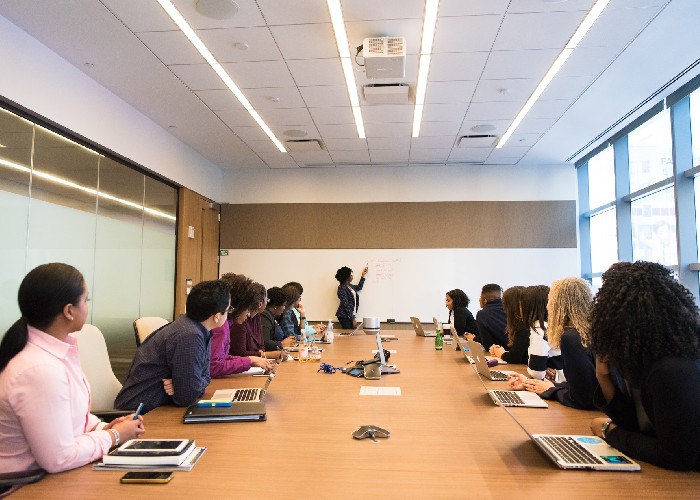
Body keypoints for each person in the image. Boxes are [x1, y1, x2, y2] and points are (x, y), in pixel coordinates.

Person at [0, 263, 145, 476]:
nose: (87, 306)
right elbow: (59, 458)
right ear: (69, 310)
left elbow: (72, 417)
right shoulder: (40, 369)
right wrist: (113, 436)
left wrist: (102, 427)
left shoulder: (56, 353)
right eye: (86, 300)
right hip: (26, 486)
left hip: (54, 476)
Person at [588, 261, 700, 471]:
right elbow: (638, 426)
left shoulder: (672, 369)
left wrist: (609, 431)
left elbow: (676, 457)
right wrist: (603, 377)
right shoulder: (645, 359)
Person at [114, 279, 230, 414]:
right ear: (216, 316)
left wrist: (184, 385)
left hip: (158, 407)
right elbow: (186, 397)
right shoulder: (189, 335)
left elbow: (205, 377)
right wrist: (187, 387)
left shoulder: (197, 329)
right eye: (228, 310)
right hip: (139, 415)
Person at [508, 278, 597, 410]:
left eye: (550, 301)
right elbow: (586, 387)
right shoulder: (590, 331)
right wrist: (534, 383)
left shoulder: (571, 337)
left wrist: (551, 390)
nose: (548, 306)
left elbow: (583, 399)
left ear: (559, 305)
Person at [210, 275, 275, 377]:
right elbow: (214, 366)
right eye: (247, 309)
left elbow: (222, 358)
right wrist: (249, 360)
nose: (248, 314)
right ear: (238, 307)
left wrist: (252, 359)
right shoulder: (221, 326)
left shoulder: (227, 323)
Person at [230, 282, 285, 360]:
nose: (267, 303)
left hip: (256, 362)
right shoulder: (240, 320)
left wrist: (261, 353)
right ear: (260, 304)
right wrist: (265, 354)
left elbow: (261, 344)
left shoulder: (257, 317)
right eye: (267, 300)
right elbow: (240, 353)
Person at [522, 285, 563, 381]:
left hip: (556, 382)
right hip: (563, 379)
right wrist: (543, 368)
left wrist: (538, 370)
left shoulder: (540, 328)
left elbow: (537, 374)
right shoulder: (553, 324)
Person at [489, 286, 529, 364]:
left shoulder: (523, 326)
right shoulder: (524, 323)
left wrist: (501, 354)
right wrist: (499, 350)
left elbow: (514, 358)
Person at [261, 287, 295, 351]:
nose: (284, 308)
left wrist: (287, 340)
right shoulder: (264, 316)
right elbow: (264, 342)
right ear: (275, 306)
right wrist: (281, 343)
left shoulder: (271, 316)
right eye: (283, 305)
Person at [474, 283, 507, 350]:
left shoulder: (482, 314)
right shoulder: (509, 309)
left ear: (485, 300)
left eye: (480, 297)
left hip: (498, 354)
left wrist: (474, 339)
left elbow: (487, 344)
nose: (479, 300)